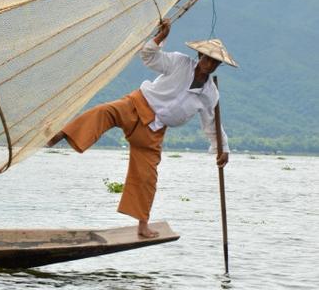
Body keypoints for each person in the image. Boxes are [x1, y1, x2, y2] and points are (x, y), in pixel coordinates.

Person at [46, 18, 238, 238]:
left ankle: (142, 226)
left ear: (217, 65)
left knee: (147, 176)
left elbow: (212, 124)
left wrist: (223, 149)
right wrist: (160, 38)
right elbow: (149, 57)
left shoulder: (210, 94)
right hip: (137, 105)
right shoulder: (179, 62)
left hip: (154, 129)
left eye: (214, 62)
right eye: (206, 58)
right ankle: (62, 133)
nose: (209, 64)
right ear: (199, 56)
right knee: (104, 112)